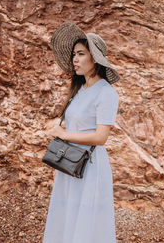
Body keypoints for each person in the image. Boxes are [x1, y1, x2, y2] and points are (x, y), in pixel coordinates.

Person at [42, 22, 120, 243]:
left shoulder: (106, 92)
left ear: (94, 59)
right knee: (68, 218)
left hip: (90, 166)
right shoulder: (80, 90)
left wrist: (64, 135)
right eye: (74, 54)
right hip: (69, 163)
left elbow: (101, 137)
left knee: (88, 222)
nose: (74, 59)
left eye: (80, 54)